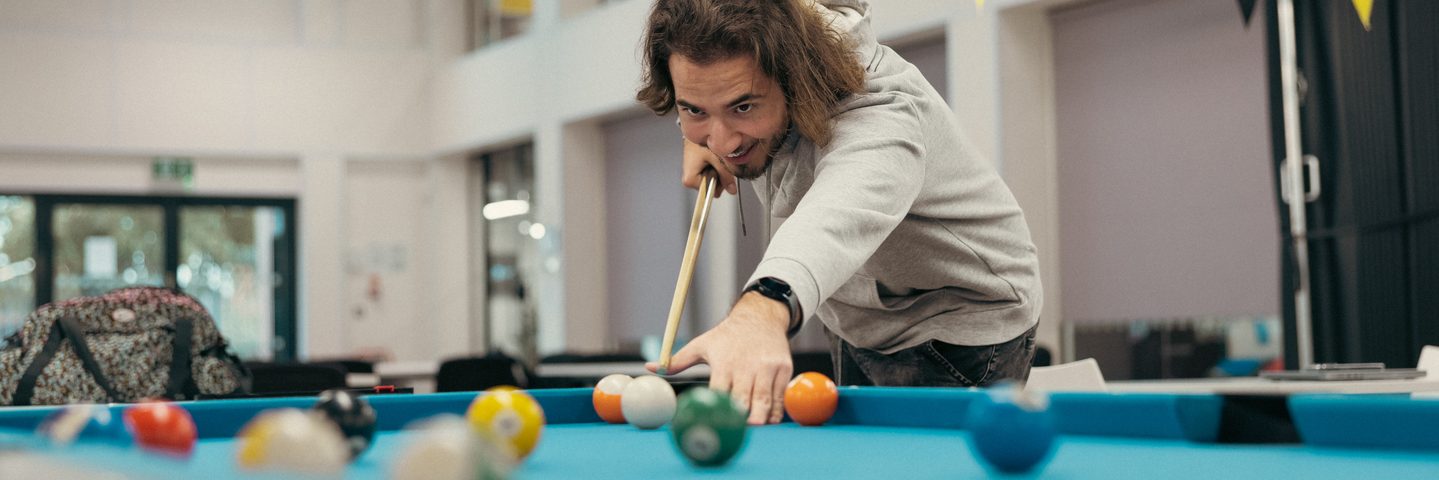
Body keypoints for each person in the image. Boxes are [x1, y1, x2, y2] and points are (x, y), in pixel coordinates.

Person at [638, 0, 1043, 425]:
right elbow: (714, 103)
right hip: (858, 318)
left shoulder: (882, 115)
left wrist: (761, 310)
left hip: (962, 319)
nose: (720, 142)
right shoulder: (744, 67)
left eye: (743, 107)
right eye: (694, 109)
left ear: (792, 78)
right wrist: (696, 133)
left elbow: (834, 218)